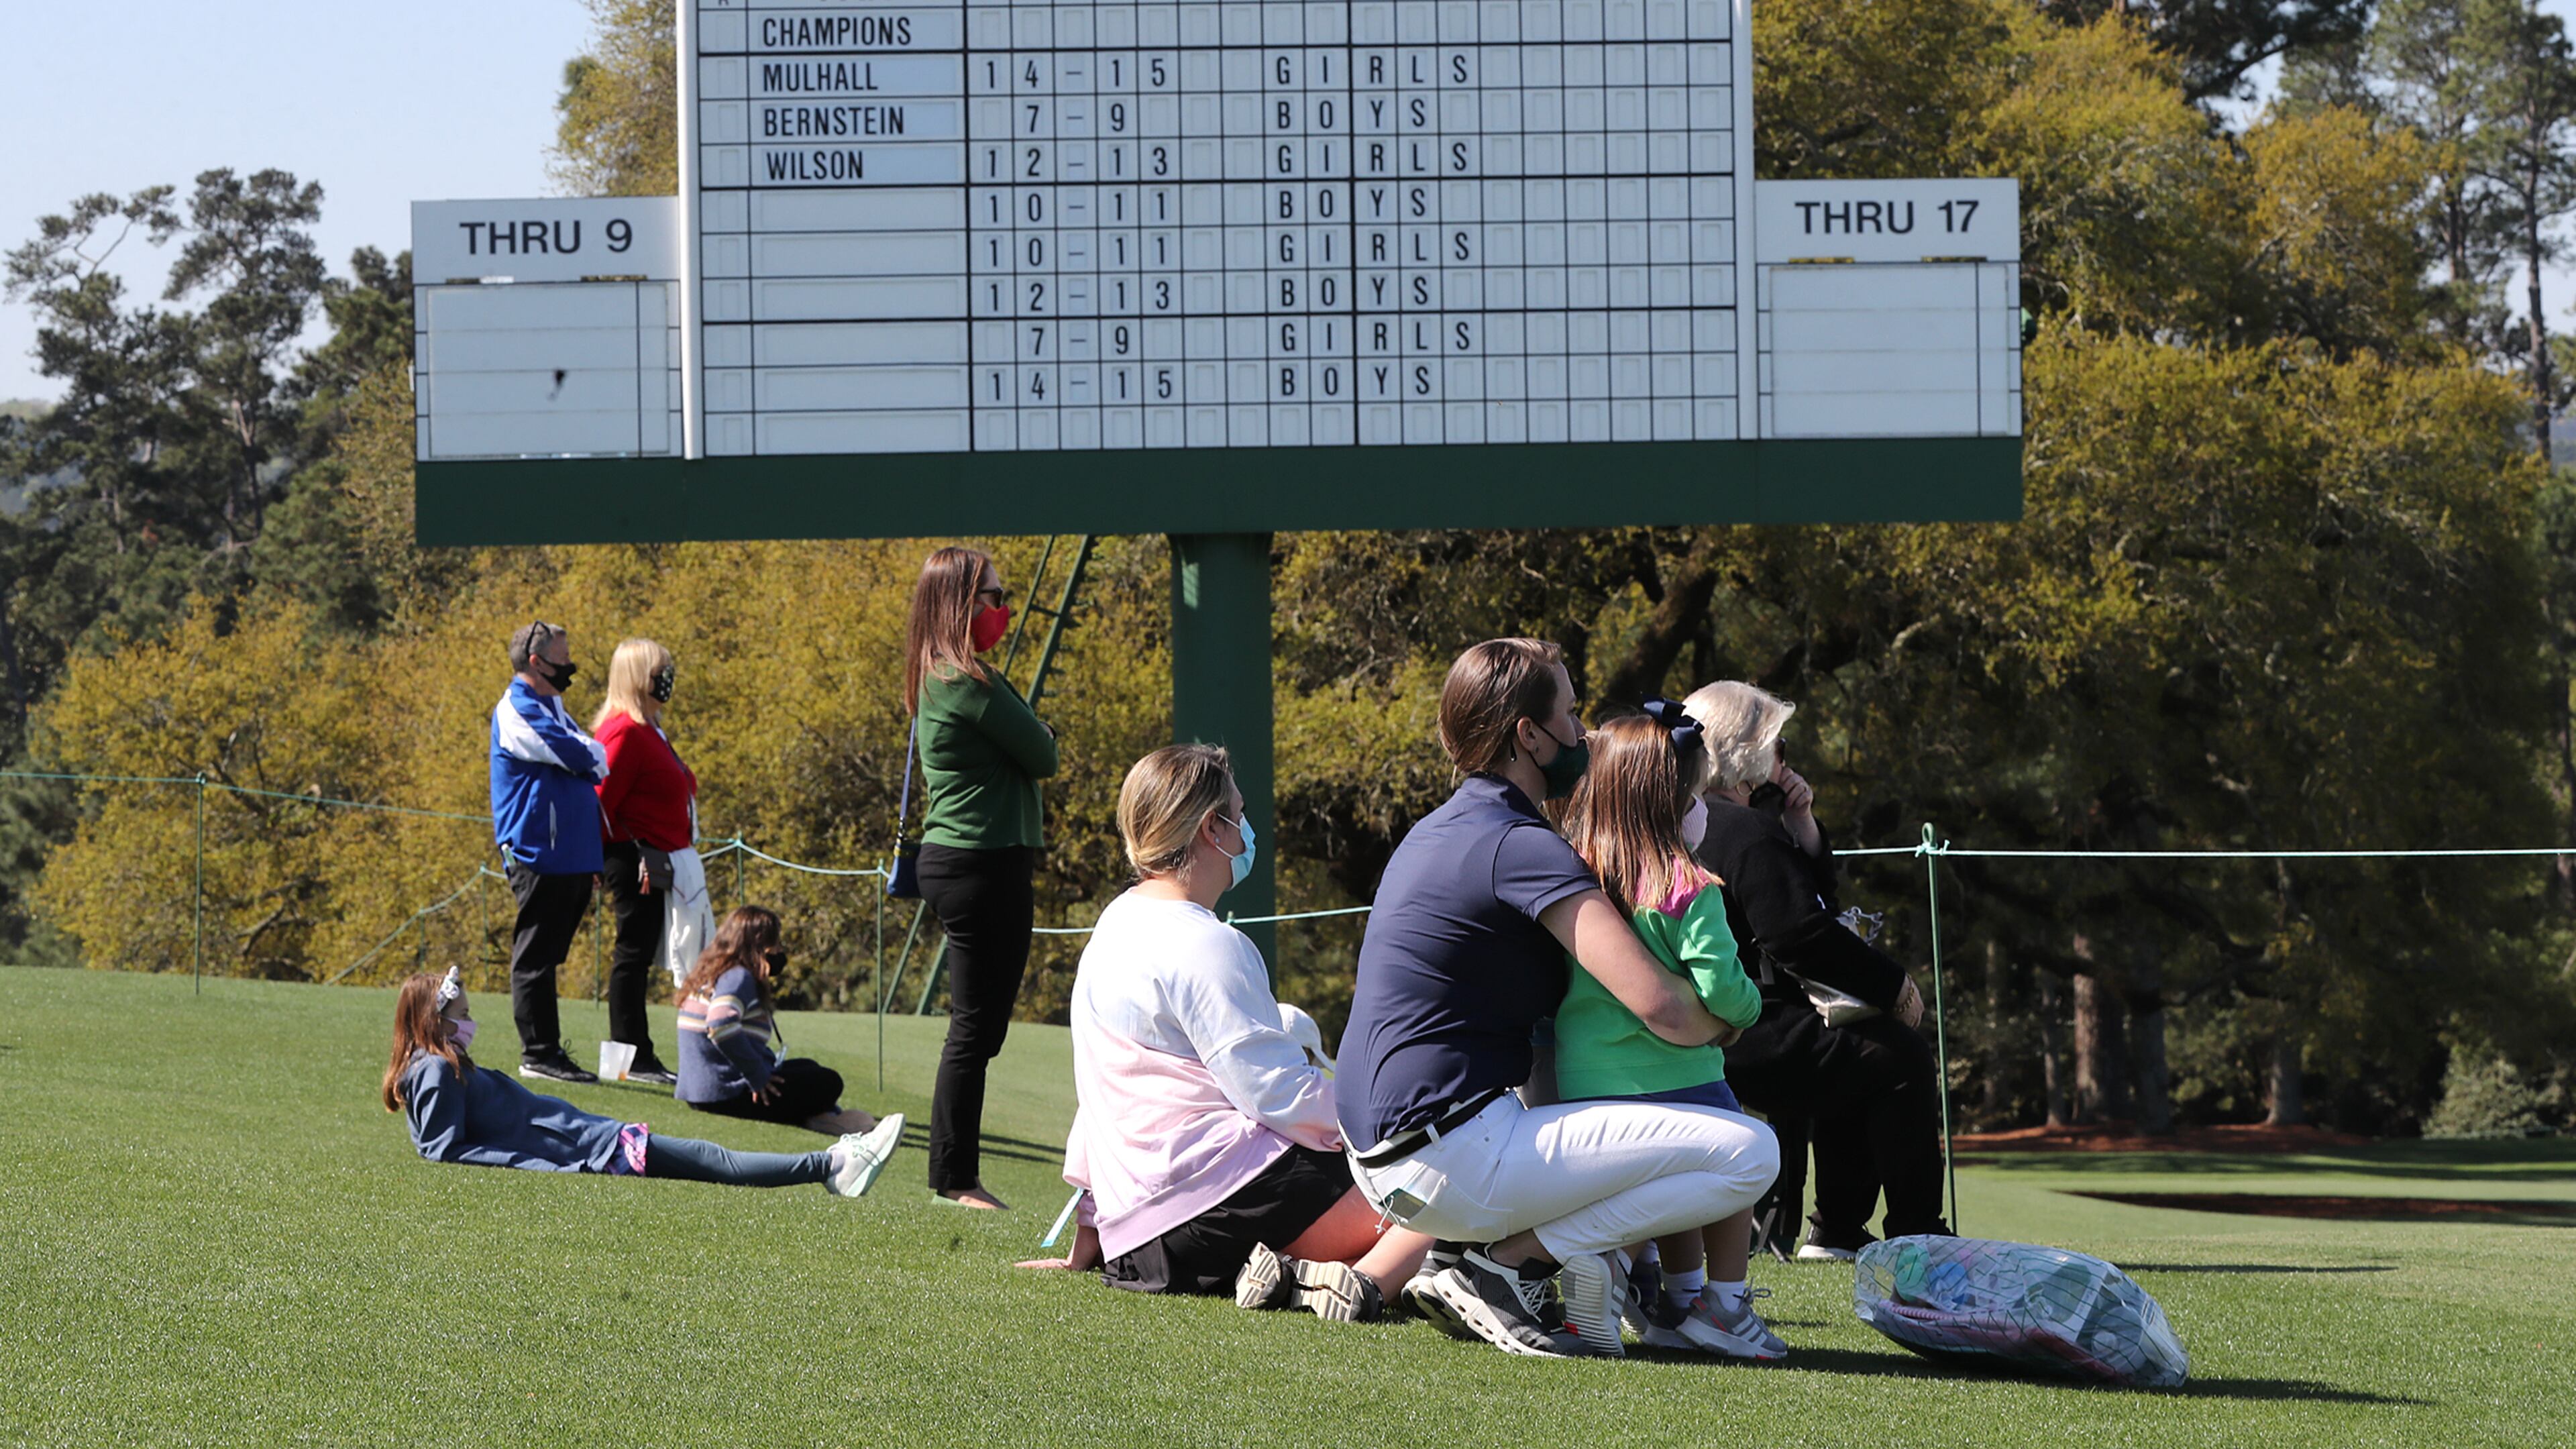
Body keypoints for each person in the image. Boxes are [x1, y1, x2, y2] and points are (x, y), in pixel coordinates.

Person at [1338, 638, 1780, 1358]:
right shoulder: (1520, 842)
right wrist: (1724, 1028)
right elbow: (1659, 1005)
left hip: (1386, 1162)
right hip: (1449, 1159)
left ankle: (1480, 1260)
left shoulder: (1440, 827)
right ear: (1528, 735)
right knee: (1752, 1154)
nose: (1584, 735)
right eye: (1571, 714)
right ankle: (1505, 1267)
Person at [1020, 745, 1435, 1324]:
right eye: (1239, 813)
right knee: (1438, 1182)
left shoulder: (1113, 926)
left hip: (1138, 1248)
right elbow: (1279, 1094)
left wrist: (1087, 1242)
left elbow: (1099, 1100)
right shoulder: (1207, 943)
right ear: (1213, 829)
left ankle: (1301, 1277)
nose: (1248, 829)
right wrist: (1383, 1121)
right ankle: (1362, 1286)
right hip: (1220, 1209)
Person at [1682, 680, 1950, 1260]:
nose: (1785, 759)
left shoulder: (1699, 820)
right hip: (1743, 1026)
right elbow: (1802, 935)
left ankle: (1839, 1230)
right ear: (1746, 753)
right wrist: (1893, 985)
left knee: (1855, 1047)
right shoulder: (1746, 832)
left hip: (1711, 1022)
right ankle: (1917, 1233)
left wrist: (1801, 825)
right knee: (1896, 1054)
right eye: (1776, 745)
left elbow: (1805, 904)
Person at [1553, 708, 1783, 1359]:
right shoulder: (1688, 886)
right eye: (1697, 793)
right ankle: (1725, 1305)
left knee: (1670, 1187)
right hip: (1683, 1083)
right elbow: (1726, 990)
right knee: (1732, 1168)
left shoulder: (1573, 882)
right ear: (1674, 803)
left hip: (1584, 1093)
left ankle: (1676, 1302)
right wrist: (1746, 1012)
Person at [384, 967, 903, 1195]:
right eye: (463, 1014)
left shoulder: (443, 1067)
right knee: (716, 1161)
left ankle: (833, 1163)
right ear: (434, 1020)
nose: (470, 1024)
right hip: (593, 1151)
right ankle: (834, 1164)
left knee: (710, 1157)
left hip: (597, 1139)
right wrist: (549, 1167)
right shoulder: (434, 1071)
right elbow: (445, 1151)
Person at [905, 545, 1059, 1209]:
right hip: (979, 865)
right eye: (993, 597)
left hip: (975, 862)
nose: (1003, 608)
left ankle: (956, 1174)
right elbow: (1044, 750)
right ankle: (954, 1179)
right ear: (960, 606)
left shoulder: (948, 676)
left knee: (982, 1030)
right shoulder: (964, 682)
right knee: (973, 1031)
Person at [491, 621, 608, 1084]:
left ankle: (550, 1050)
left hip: (571, 856)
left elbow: (593, 755)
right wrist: (584, 754)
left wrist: (585, 753)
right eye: (563, 658)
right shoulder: (518, 707)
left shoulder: (553, 706)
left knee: (549, 956)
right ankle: (538, 1053)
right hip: (539, 852)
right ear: (536, 662)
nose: (570, 666)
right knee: (535, 957)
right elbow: (583, 756)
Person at [592, 637, 709, 1087]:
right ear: (637, 678)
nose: (668, 679)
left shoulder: (650, 728)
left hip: (659, 857)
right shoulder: (623, 730)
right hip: (634, 858)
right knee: (632, 956)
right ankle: (627, 1061)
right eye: (660, 671)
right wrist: (614, 853)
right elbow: (600, 801)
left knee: (640, 957)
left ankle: (637, 1056)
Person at [676, 906, 879, 1134]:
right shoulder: (739, 976)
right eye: (776, 943)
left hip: (698, 1092)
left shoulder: (712, 974)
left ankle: (821, 1114)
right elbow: (720, 1023)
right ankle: (819, 1117)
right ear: (760, 944)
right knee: (829, 1082)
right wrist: (757, 1076)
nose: (779, 950)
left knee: (807, 1067)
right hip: (725, 1094)